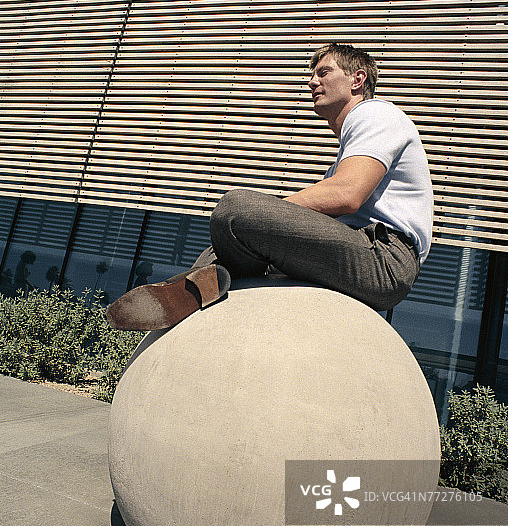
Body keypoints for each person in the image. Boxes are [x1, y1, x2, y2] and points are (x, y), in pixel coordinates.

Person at [107, 42, 433, 332]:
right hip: (360, 253)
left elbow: (347, 194)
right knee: (223, 245)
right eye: (312, 75)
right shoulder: (352, 142)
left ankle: (200, 285)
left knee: (236, 211)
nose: (312, 82)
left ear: (357, 80)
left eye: (324, 73)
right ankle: (187, 292)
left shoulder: (374, 113)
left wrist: (267, 215)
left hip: (383, 260)